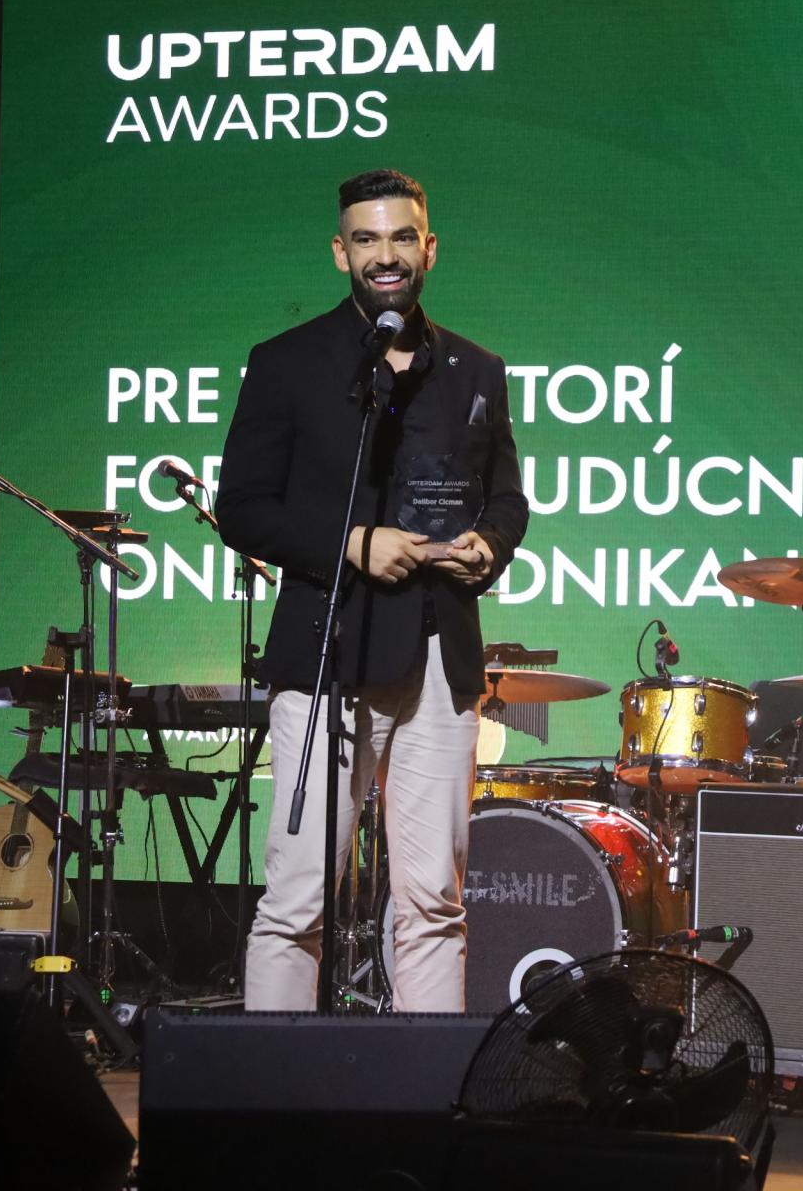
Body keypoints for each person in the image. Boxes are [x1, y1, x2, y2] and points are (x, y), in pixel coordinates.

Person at [218, 170, 527, 1009]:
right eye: (366, 240)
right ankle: (276, 1088)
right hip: (329, 653)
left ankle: (429, 1090)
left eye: (401, 238)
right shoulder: (287, 362)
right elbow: (241, 507)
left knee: (434, 903)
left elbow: (507, 496)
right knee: (296, 902)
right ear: (339, 252)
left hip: (438, 657)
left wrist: (489, 543)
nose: (384, 255)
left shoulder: (476, 368)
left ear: (429, 248)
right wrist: (352, 543)